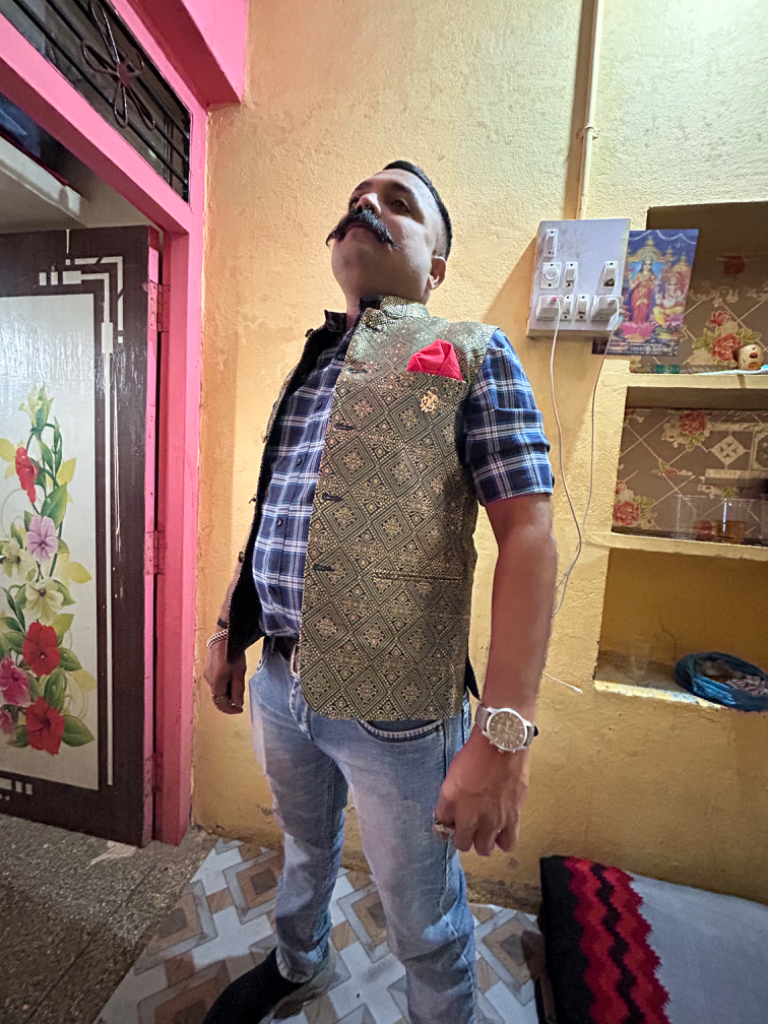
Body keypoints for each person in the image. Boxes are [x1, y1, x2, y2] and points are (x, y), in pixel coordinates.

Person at [203, 160, 556, 1024]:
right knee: (303, 850)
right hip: (283, 685)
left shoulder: (476, 354)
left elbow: (529, 534)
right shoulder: (314, 364)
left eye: (401, 204)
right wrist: (227, 629)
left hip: (401, 713)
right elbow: (279, 510)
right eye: (360, 198)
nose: (370, 205)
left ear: (436, 264)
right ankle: (298, 963)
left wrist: (502, 738)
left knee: (424, 919)